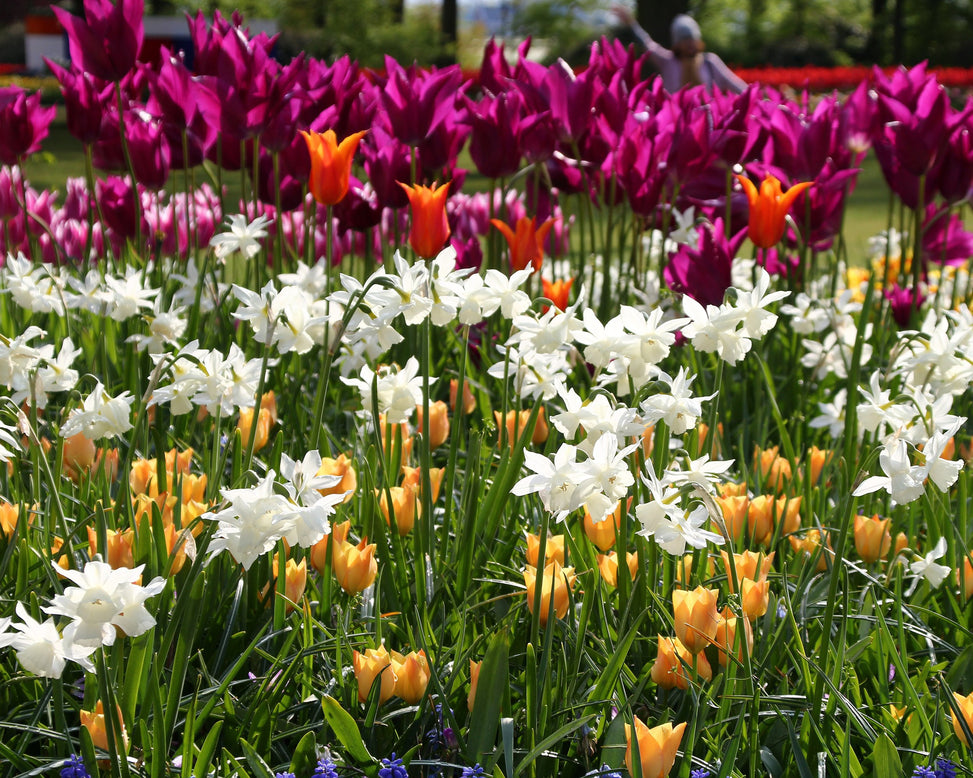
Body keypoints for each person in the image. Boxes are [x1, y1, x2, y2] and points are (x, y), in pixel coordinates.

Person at [612, 5, 746, 94]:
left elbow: (733, 83)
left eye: (692, 38)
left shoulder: (709, 62)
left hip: (705, 124)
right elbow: (647, 43)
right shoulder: (667, 61)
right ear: (677, 43)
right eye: (684, 39)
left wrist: (756, 97)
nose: (689, 43)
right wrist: (632, 23)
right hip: (677, 123)